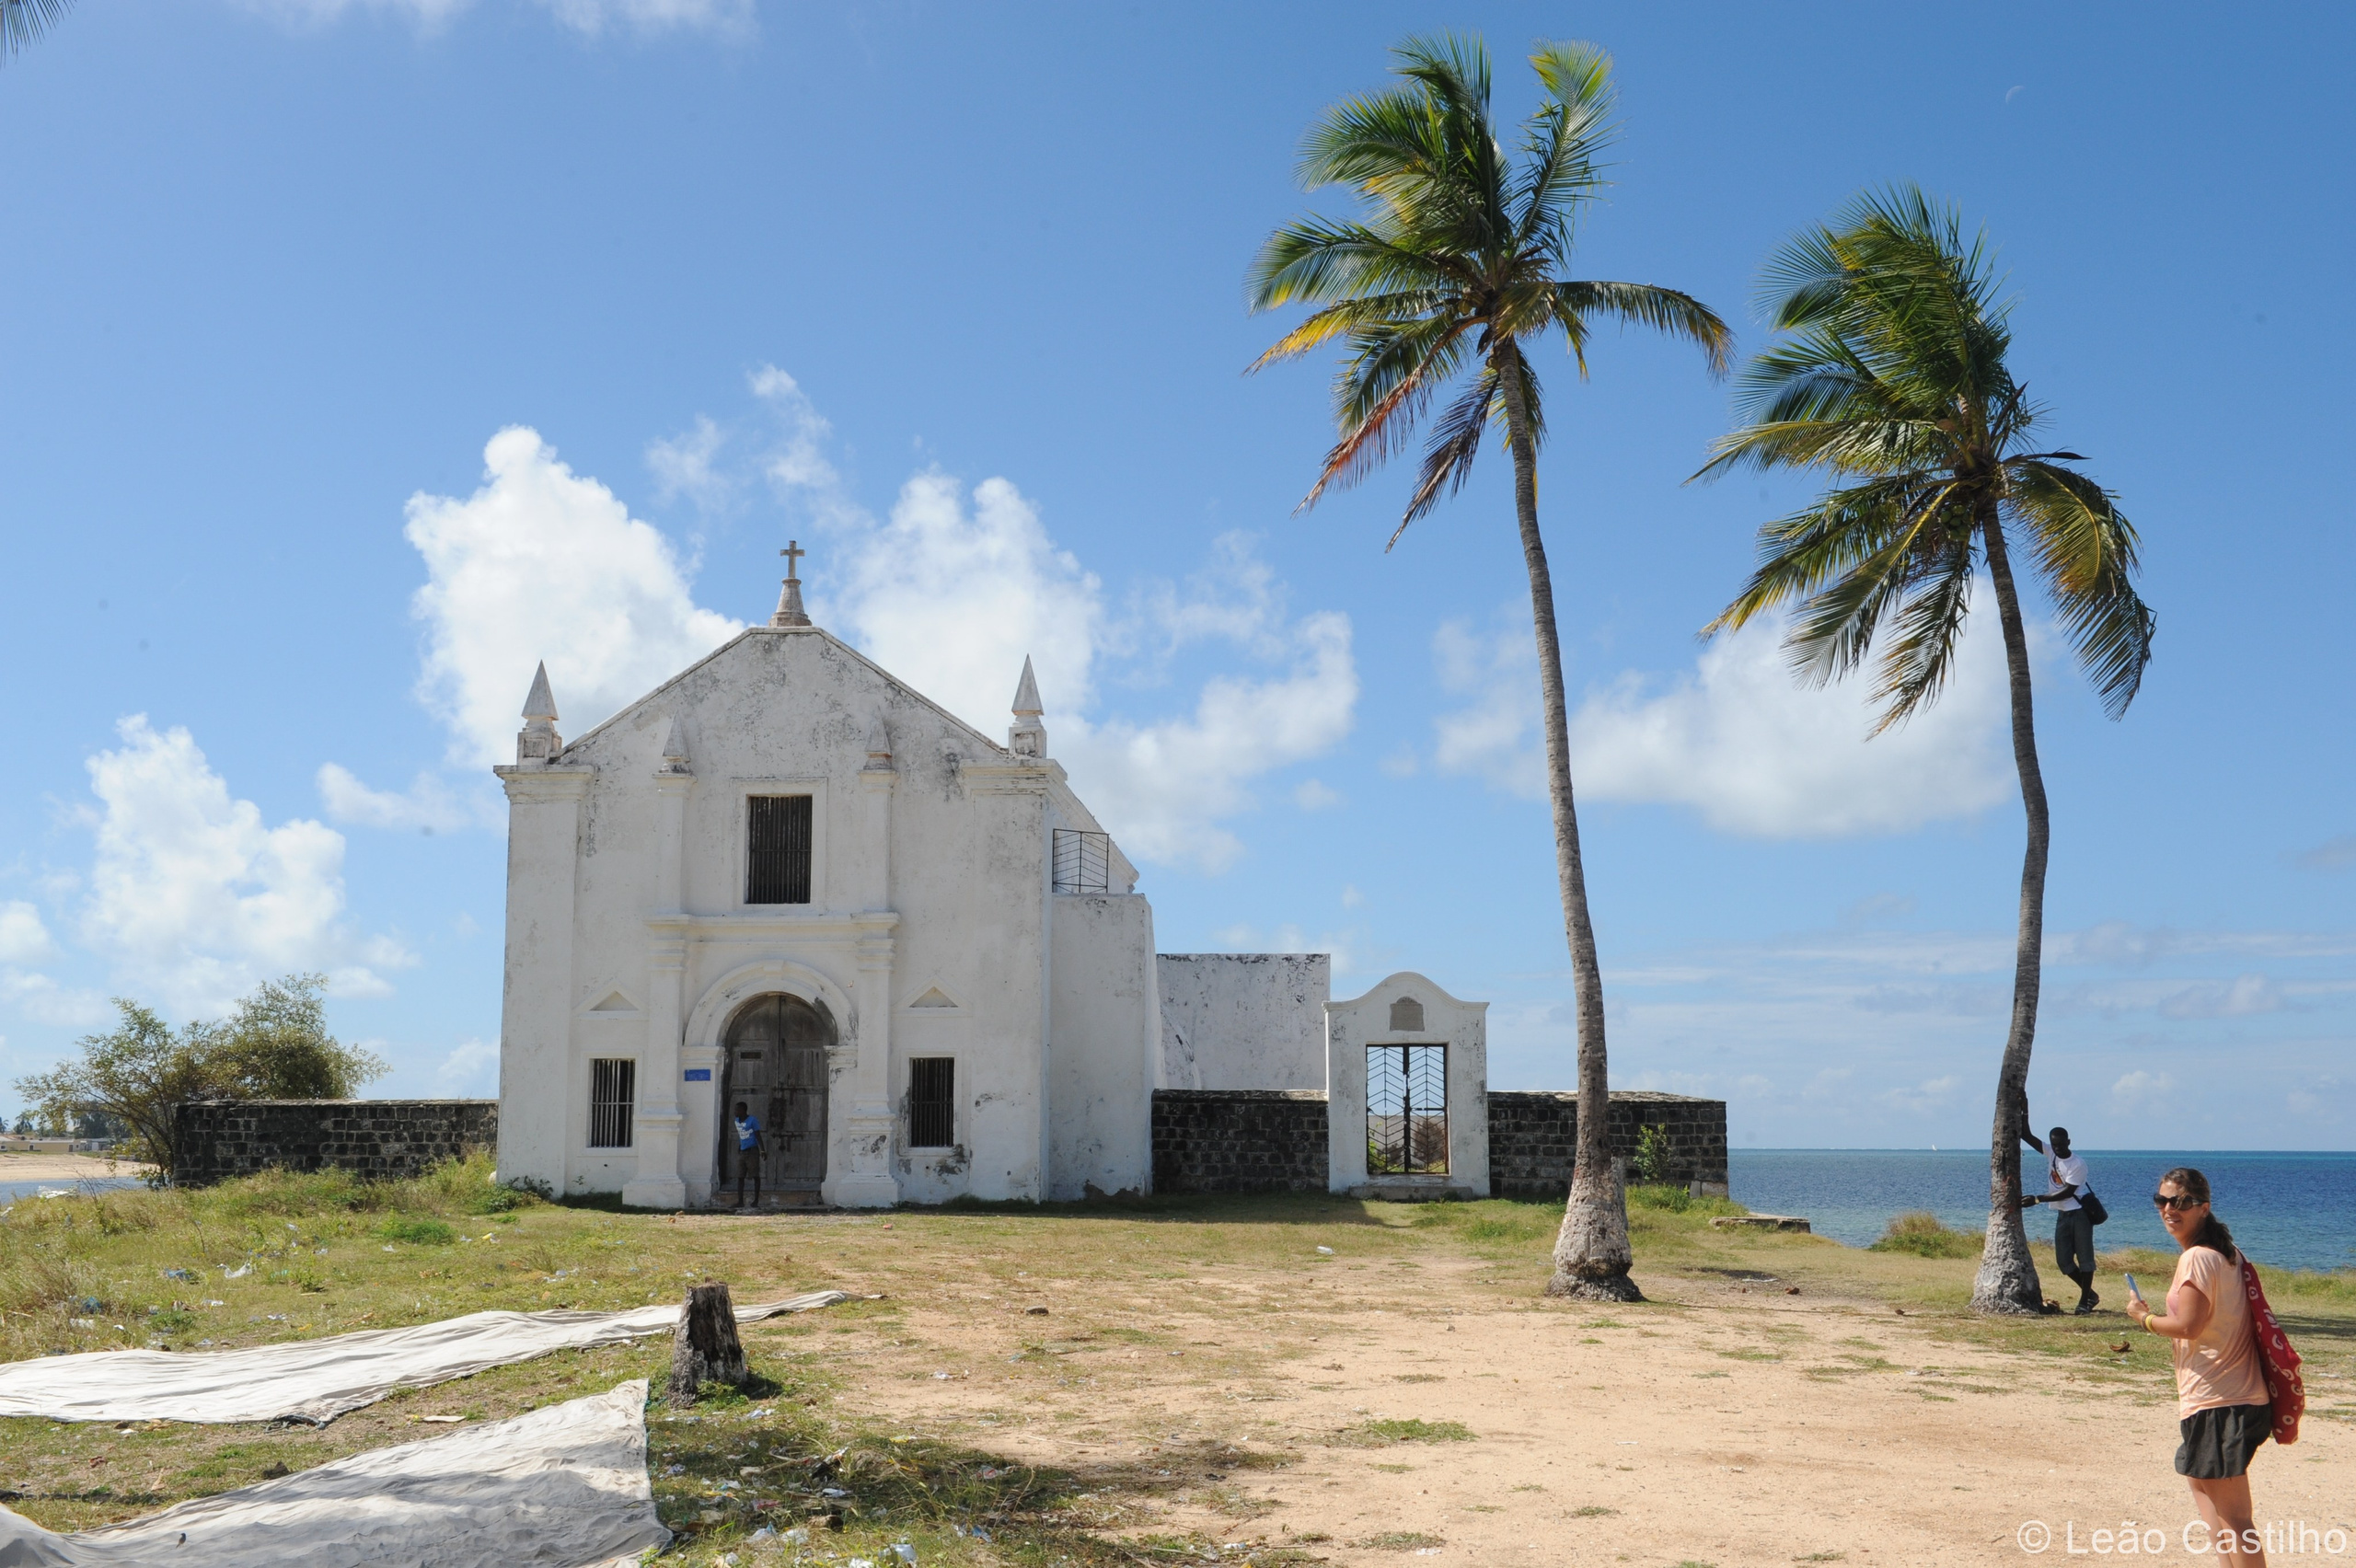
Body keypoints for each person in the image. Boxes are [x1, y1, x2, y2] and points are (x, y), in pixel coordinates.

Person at [2131, 1168, 2269, 1568]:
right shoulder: (2228, 1254)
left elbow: (2190, 1326)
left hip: (2220, 1400)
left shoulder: (2197, 1258)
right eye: (2162, 1201)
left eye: (2181, 1202)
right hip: (2223, 1398)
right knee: (2211, 1509)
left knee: (2234, 1519)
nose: (2169, 1209)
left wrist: (2143, 1318)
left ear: (2203, 1209)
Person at [2018, 1116, 2098, 1312]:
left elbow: (2068, 1191)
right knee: (2064, 1262)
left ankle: (2083, 1302)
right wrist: (2025, 1111)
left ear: (2068, 1142)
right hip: (2063, 1214)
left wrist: (2037, 1199)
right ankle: (2091, 1295)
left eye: (2061, 1145)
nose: (2058, 1148)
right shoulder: (2051, 1153)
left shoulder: (2077, 1163)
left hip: (2079, 1214)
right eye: (2054, 1145)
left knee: (2085, 1259)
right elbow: (2027, 1135)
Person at [731, 1100, 765, 1209]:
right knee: (740, 1176)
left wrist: (762, 1150)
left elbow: (758, 1135)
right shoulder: (736, 1121)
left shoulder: (752, 1120)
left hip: (752, 1151)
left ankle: (756, 1200)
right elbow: (742, 1135)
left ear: (743, 1110)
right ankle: (740, 1201)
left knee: (755, 1175)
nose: (735, 1111)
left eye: (737, 1109)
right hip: (742, 1151)